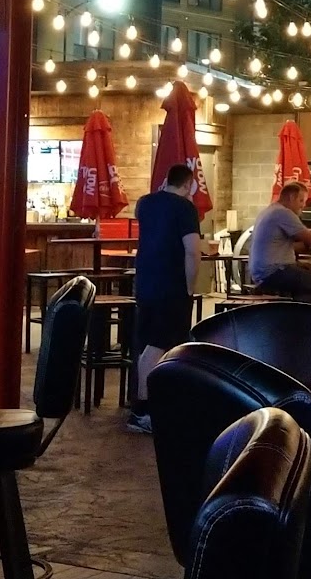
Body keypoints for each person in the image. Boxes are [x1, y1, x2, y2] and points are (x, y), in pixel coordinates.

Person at [128, 163, 202, 435]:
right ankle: (142, 410)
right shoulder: (185, 208)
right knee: (158, 346)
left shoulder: (145, 203)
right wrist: (190, 287)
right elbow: (192, 251)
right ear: (188, 184)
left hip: (145, 282)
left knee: (149, 343)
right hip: (171, 285)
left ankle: (153, 404)